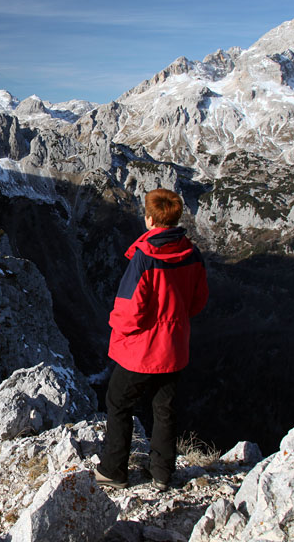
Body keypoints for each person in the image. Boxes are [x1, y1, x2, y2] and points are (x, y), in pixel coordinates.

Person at [94, 188, 208, 491]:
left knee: (118, 402)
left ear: (150, 219)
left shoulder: (145, 258)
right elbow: (198, 301)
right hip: (175, 347)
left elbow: (130, 310)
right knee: (164, 408)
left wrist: (114, 326)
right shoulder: (192, 254)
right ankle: (161, 473)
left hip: (142, 350)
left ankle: (113, 470)